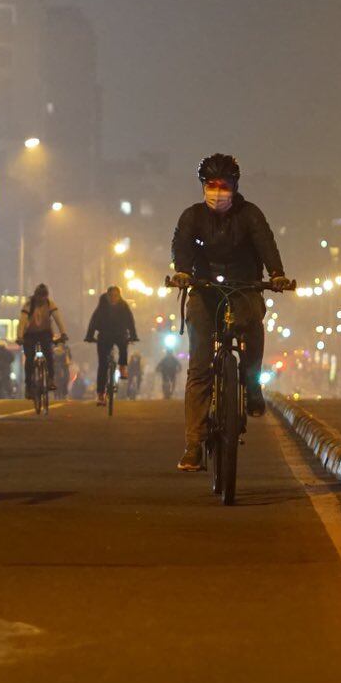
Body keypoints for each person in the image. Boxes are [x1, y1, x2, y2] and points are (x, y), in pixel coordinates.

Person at [168, 153, 292, 471]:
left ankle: (252, 385)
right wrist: (182, 271)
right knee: (199, 369)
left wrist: (276, 273)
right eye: (211, 185)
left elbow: (266, 243)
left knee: (252, 326)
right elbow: (180, 245)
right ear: (202, 187)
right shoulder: (192, 216)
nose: (218, 191)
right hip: (203, 290)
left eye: (224, 185)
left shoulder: (250, 215)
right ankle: (194, 445)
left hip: (245, 287)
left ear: (235, 186)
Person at [85, 284, 139, 405]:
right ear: (108, 296)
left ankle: (122, 366)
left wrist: (133, 335)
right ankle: (100, 394)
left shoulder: (124, 306)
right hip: (104, 335)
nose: (114, 298)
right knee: (103, 365)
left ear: (119, 296)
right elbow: (93, 321)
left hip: (119, 334)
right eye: (112, 296)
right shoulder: (102, 306)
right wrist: (89, 336)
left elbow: (130, 321)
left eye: (116, 296)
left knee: (123, 345)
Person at [18, 283, 68, 397]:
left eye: (44, 296)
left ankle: (50, 379)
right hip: (29, 334)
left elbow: (58, 319)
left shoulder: (50, 304)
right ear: (35, 295)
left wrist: (63, 333)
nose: (42, 299)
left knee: (49, 356)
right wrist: (19, 337)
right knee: (29, 359)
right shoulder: (28, 305)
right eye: (39, 296)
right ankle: (29, 386)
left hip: (45, 333)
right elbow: (22, 322)